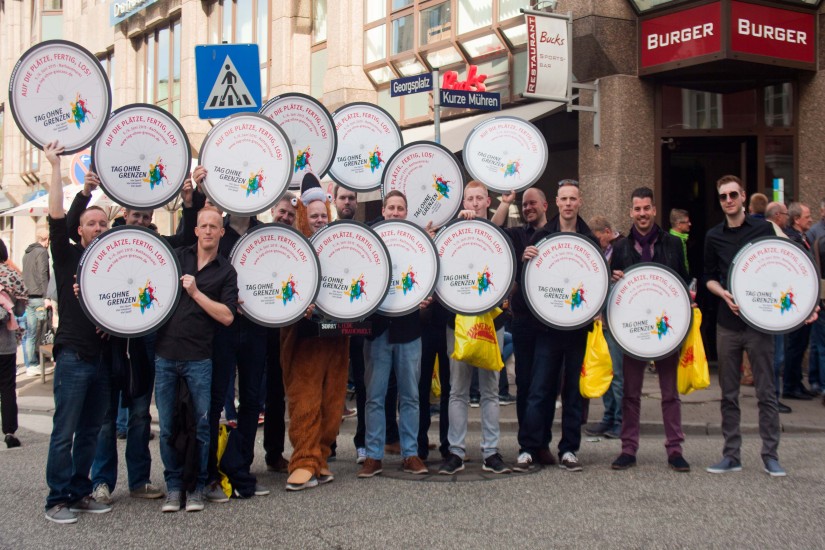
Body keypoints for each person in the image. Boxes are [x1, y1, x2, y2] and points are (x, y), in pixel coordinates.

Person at [67, 168, 198, 505]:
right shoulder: (104, 243)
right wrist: (84, 193)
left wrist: (188, 203)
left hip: (143, 343)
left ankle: (139, 480)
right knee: (106, 419)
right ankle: (102, 482)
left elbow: (186, 239)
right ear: (124, 215)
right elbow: (69, 230)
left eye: (145, 216)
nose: (140, 221)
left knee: (140, 415)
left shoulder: (157, 245)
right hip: (108, 344)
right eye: (135, 215)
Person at [704, 175, 798, 477]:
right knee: (728, 394)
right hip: (727, 324)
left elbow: (790, 260)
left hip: (759, 324)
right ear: (719, 200)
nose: (728, 200)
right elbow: (707, 276)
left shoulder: (764, 228)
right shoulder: (713, 236)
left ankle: (771, 455)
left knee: (766, 392)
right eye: (723, 197)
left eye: (733, 194)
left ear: (743, 196)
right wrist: (723, 293)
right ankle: (731, 455)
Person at [43, 141, 113, 524]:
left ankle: (80, 491)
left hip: (101, 359)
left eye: (103, 223)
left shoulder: (116, 259)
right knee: (64, 432)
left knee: (90, 432)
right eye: (92, 223)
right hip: (72, 356)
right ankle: (56, 499)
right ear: (81, 229)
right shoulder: (68, 255)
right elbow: (57, 217)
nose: (99, 228)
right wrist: (56, 168)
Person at [153, 205, 238, 512]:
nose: (208, 231)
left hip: (200, 358)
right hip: (165, 355)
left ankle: (199, 487)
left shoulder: (226, 271)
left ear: (221, 232)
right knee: (167, 427)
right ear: (196, 230)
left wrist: (196, 292)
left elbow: (227, 316)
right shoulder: (177, 258)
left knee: (203, 427)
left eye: (213, 227)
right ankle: (174, 487)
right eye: (203, 226)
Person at [609, 187, 691, 473]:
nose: (642, 214)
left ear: (654, 210)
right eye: (637, 209)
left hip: (666, 328)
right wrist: (612, 278)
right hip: (633, 330)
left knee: (670, 393)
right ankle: (628, 449)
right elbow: (612, 293)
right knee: (630, 393)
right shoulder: (620, 247)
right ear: (631, 212)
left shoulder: (671, 243)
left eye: (646, 208)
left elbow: (682, 282)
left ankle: (675, 450)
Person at [201, 183, 270, 502]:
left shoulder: (266, 233)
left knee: (253, 400)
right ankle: (211, 469)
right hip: (223, 328)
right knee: (216, 398)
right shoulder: (218, 232)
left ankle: (241, 466)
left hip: (256, 327)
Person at [280, 173, 349, 491]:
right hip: (305, 335)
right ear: (304, 214)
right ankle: (304, 458)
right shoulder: (292, 247)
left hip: (336, 334)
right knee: (305, 396)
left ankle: (320, 455)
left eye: (324, 215)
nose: (320, 220)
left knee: (332, 400)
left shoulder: (340, 245)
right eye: (315, 215)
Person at [438, 181, 510, 476]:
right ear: (463, 201)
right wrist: (455, 226)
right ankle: (455, 452)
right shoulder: (450, 233)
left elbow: (508, 271)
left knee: (491, 390)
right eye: (470, 198)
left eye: (480, 198)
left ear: (488, 201)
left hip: (493, 322)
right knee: (458, 390)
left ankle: (491, 452)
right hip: (457, 321)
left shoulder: (499, 235)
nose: (476, 202)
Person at [358, 191, 429, 478]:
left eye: (401, 208)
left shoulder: (417, 242)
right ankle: (373, 456)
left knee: (410, 395)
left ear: (406, 211)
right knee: (374, 396)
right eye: (391, 207)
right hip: (377, 329)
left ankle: (410, 454)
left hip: (409, 328)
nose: (396, 212)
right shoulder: (369, 239)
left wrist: (426, 296)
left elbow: (428, 274)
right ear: (384, 210)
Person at [490, 185, 553, 465]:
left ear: (544, 205)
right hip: (524, 320)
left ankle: (542, 443)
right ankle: (526, 446)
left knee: (546, 385)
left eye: (532, 204)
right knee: (525, 384)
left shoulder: (556, 234)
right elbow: (492, 229)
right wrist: (505, 202)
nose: (528, 208)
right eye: (524, 205)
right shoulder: (516, 235)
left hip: (552, 322)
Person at [263, 193, 297, 474]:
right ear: (272, 210)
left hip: (283, 332)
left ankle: (274, 454)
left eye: (290, 215)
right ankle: (238, 459)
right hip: (254, 330)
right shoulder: (257, 239)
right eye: (282, 212)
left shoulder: (297, 248)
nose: (285, 217)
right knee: (251, 398)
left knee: (276, 396)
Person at [584, 215, 625, 439]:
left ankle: (620, 420)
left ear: (608, 232)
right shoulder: (602, 251)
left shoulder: (622, 248)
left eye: (598, 238)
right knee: (607, 372)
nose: (596, 242)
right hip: (603, 323)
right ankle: (609, 416)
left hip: (616, 322)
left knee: (617, 374)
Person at [781, 202, 816, 401]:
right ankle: (789, 386)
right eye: (807, 215)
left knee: (801, 344)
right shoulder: (792, 240)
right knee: (795, 345)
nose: (810, 219)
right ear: (796, 219)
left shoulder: (802, 237)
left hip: (805, 301)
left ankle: (796, 383)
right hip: (795, 302)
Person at [764, 202, 792, 414]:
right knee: (776, 356)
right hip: (772, 305)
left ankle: (771, 397)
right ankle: (771, 398)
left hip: (777, 302)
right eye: (785, 213)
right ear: (777, 216)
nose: (788, 217)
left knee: (776, 355)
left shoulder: (775, 232)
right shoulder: (771, 232)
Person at [0, 239, 27, 448]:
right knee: (7, 386)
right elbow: (19, 311)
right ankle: (9, 432)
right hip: (5, 344)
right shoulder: (12, 276)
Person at [21, 228, 49, 377]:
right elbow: (43, 274)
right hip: (39, 297)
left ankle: (30, 363)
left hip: (28, 297)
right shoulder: (41, 252)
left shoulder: (27, 253)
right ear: (46, 239)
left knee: (31, 333)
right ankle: (34, 363)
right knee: (39, 331)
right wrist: (47, 297)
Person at [668, 208, 691, 274]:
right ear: (679, 224)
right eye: (687, 222)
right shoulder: (673, 241)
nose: (689, 224)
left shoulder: (683, 239)